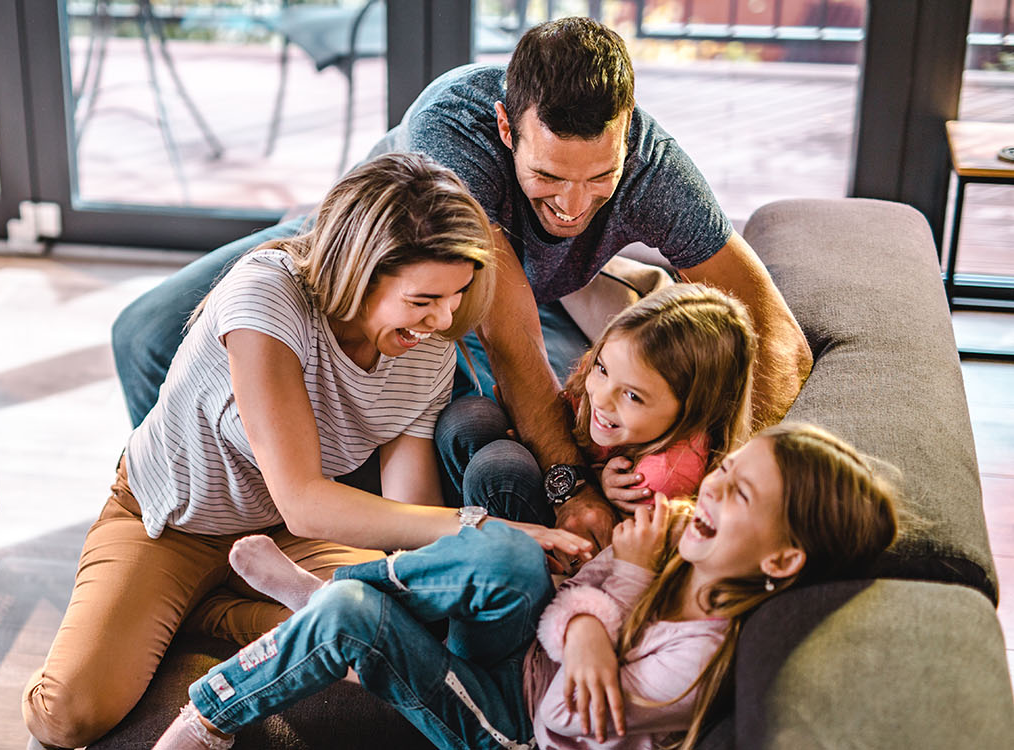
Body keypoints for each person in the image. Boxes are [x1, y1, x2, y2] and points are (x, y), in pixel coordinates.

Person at [110, 17, 813, 554]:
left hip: (513, 297)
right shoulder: (455, 131)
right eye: (547, 178)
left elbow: (778, 333)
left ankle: (312, 524)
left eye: (600, 179)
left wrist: (718, 473)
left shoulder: (655, 169)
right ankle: (207, 535)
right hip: (360, 250)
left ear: (627, 133)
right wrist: (571, 490)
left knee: (571, 404)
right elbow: (508, 339)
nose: (573, 207)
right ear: (508, 128)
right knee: (143, 334)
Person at [23, 153, 594, 749]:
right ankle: (208, 605)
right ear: (359, 272)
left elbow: (409, 510)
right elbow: (302, 498)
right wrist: (485, 527)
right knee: (70, 715)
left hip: (292, 538)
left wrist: (478, 557)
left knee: (398, 636)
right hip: (176, 522)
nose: (445, 318)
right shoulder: (267, 298)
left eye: (457, 296)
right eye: (424, 298)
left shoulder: (425, 345)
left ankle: (224, 604)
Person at [153, 423, 899, 750]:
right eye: (726, 472)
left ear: (780, 561)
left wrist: (615, 589)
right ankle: (337, 590)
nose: (711, 491)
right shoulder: (674, 544)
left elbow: (572, 718)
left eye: (739, 498)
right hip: (523, 658)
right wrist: (591, 599)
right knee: (509, 555)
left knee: (352, 616)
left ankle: (210, 716)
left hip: (514, 725)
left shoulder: (696, 659)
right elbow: (562, 622)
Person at [440, 284, 757, 529]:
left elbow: (612, 546)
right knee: (467, 417)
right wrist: (531, 431)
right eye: (602, 369)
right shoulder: (599, 382)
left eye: (632, 396)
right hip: (566, 482)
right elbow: (569, 412)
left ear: (694, 411)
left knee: (498, 469)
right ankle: (445, 527)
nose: (601, 398)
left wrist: (603, 490)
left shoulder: (663, 477)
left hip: (575, 552)